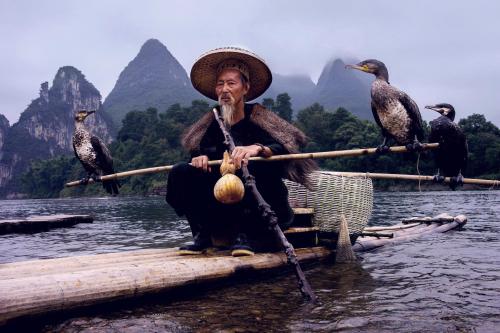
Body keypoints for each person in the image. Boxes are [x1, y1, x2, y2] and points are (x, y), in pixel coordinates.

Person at [166, 47, 316, 256]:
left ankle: (247, 235)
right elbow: (201, 152)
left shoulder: (259, 116)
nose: (224, 89)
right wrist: (199, 159)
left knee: (246, 164)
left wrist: (258, 149)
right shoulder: (212, 121)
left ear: (245, 88)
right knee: (180, 171)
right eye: (220, 84)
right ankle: (203, 233)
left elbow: (284, 146)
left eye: (231, 83)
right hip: (222, 206)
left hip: (264, 204)